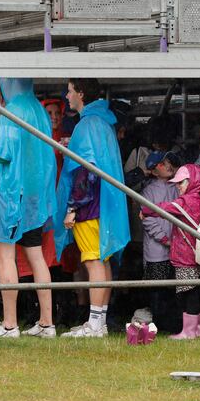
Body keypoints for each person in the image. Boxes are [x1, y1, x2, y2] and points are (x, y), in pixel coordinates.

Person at [0, 79, 58, 339]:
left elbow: (5, 153)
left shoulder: (11, 111)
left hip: (11, 193)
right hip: (35, 192)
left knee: (5, 257)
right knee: (37, 257)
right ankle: (47, 323)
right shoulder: (38, 109)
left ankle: (10, 324)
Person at [55, 78, 131, 338]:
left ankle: (95, 324)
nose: (67, 96)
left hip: (90, 206)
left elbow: (86, 170)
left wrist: (73, 207)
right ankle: (100, 321)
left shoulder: (87, 124)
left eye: (70, 91)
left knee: (93, 260)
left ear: (81, 93)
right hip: (104, 204)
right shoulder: (104, 122)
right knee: (103, 260)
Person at [141, 163, 200, 339]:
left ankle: (189, 331)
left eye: (182, 182)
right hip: (198, 255)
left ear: (193, 182)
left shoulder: (186, 201)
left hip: (185, 255)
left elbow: (163, 208)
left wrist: (145, 210)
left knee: (188, 293)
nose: (178, 186)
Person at [139, 151, 179, 330]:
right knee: (157, 290)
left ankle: (173, 323)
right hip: (156, 251)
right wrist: (164, 238)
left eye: (167, 161)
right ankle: (159, 325)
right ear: (154, 171)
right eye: (162, 164)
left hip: (176, 248)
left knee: (174, 288)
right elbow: (148, 219)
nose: (167, 165)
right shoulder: (149, 191)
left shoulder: (177, 187)